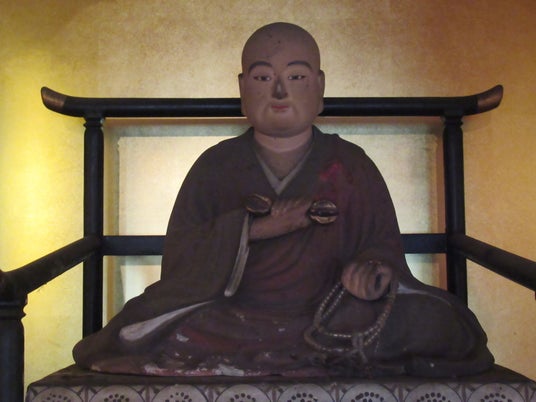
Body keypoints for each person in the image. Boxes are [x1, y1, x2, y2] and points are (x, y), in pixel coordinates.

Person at [73, 22, 493, 377]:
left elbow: (382, 249)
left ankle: (270, 356)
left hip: (330, 315)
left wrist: (373, 274)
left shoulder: (351, 165)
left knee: (443, 323)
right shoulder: (215, 166)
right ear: (242, 88)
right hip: (234, 318)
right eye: (262, 78)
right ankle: (304, 355)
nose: (278, 92)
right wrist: (254, 229)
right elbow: (182, 264)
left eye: (295, 77)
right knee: (138, 326)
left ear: (319, 86)